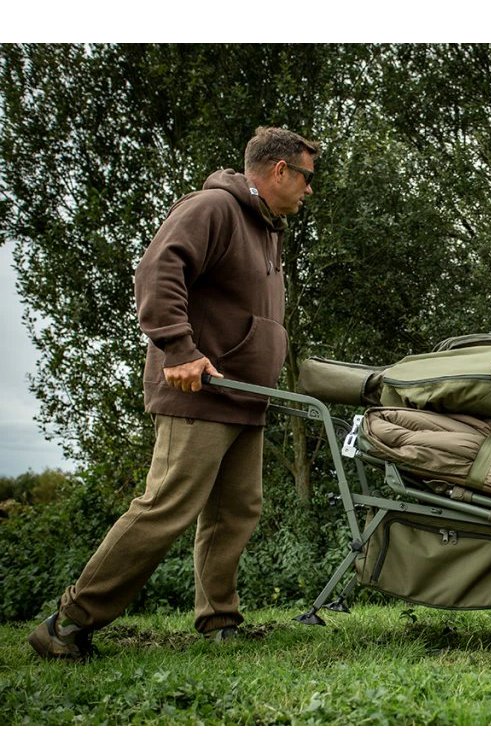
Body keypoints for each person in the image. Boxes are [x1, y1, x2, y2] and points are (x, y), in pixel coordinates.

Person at [29, 126, 319, 660]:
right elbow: (158, 270)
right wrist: (179, 350)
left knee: (236, 510)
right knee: (167, 506)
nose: (309, 189)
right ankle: (68, 623)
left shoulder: (267, 228)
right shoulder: (213, 208)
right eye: (305, 177)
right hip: (200, 390)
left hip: (244, 395)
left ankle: (219, 619)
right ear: (279, 170)